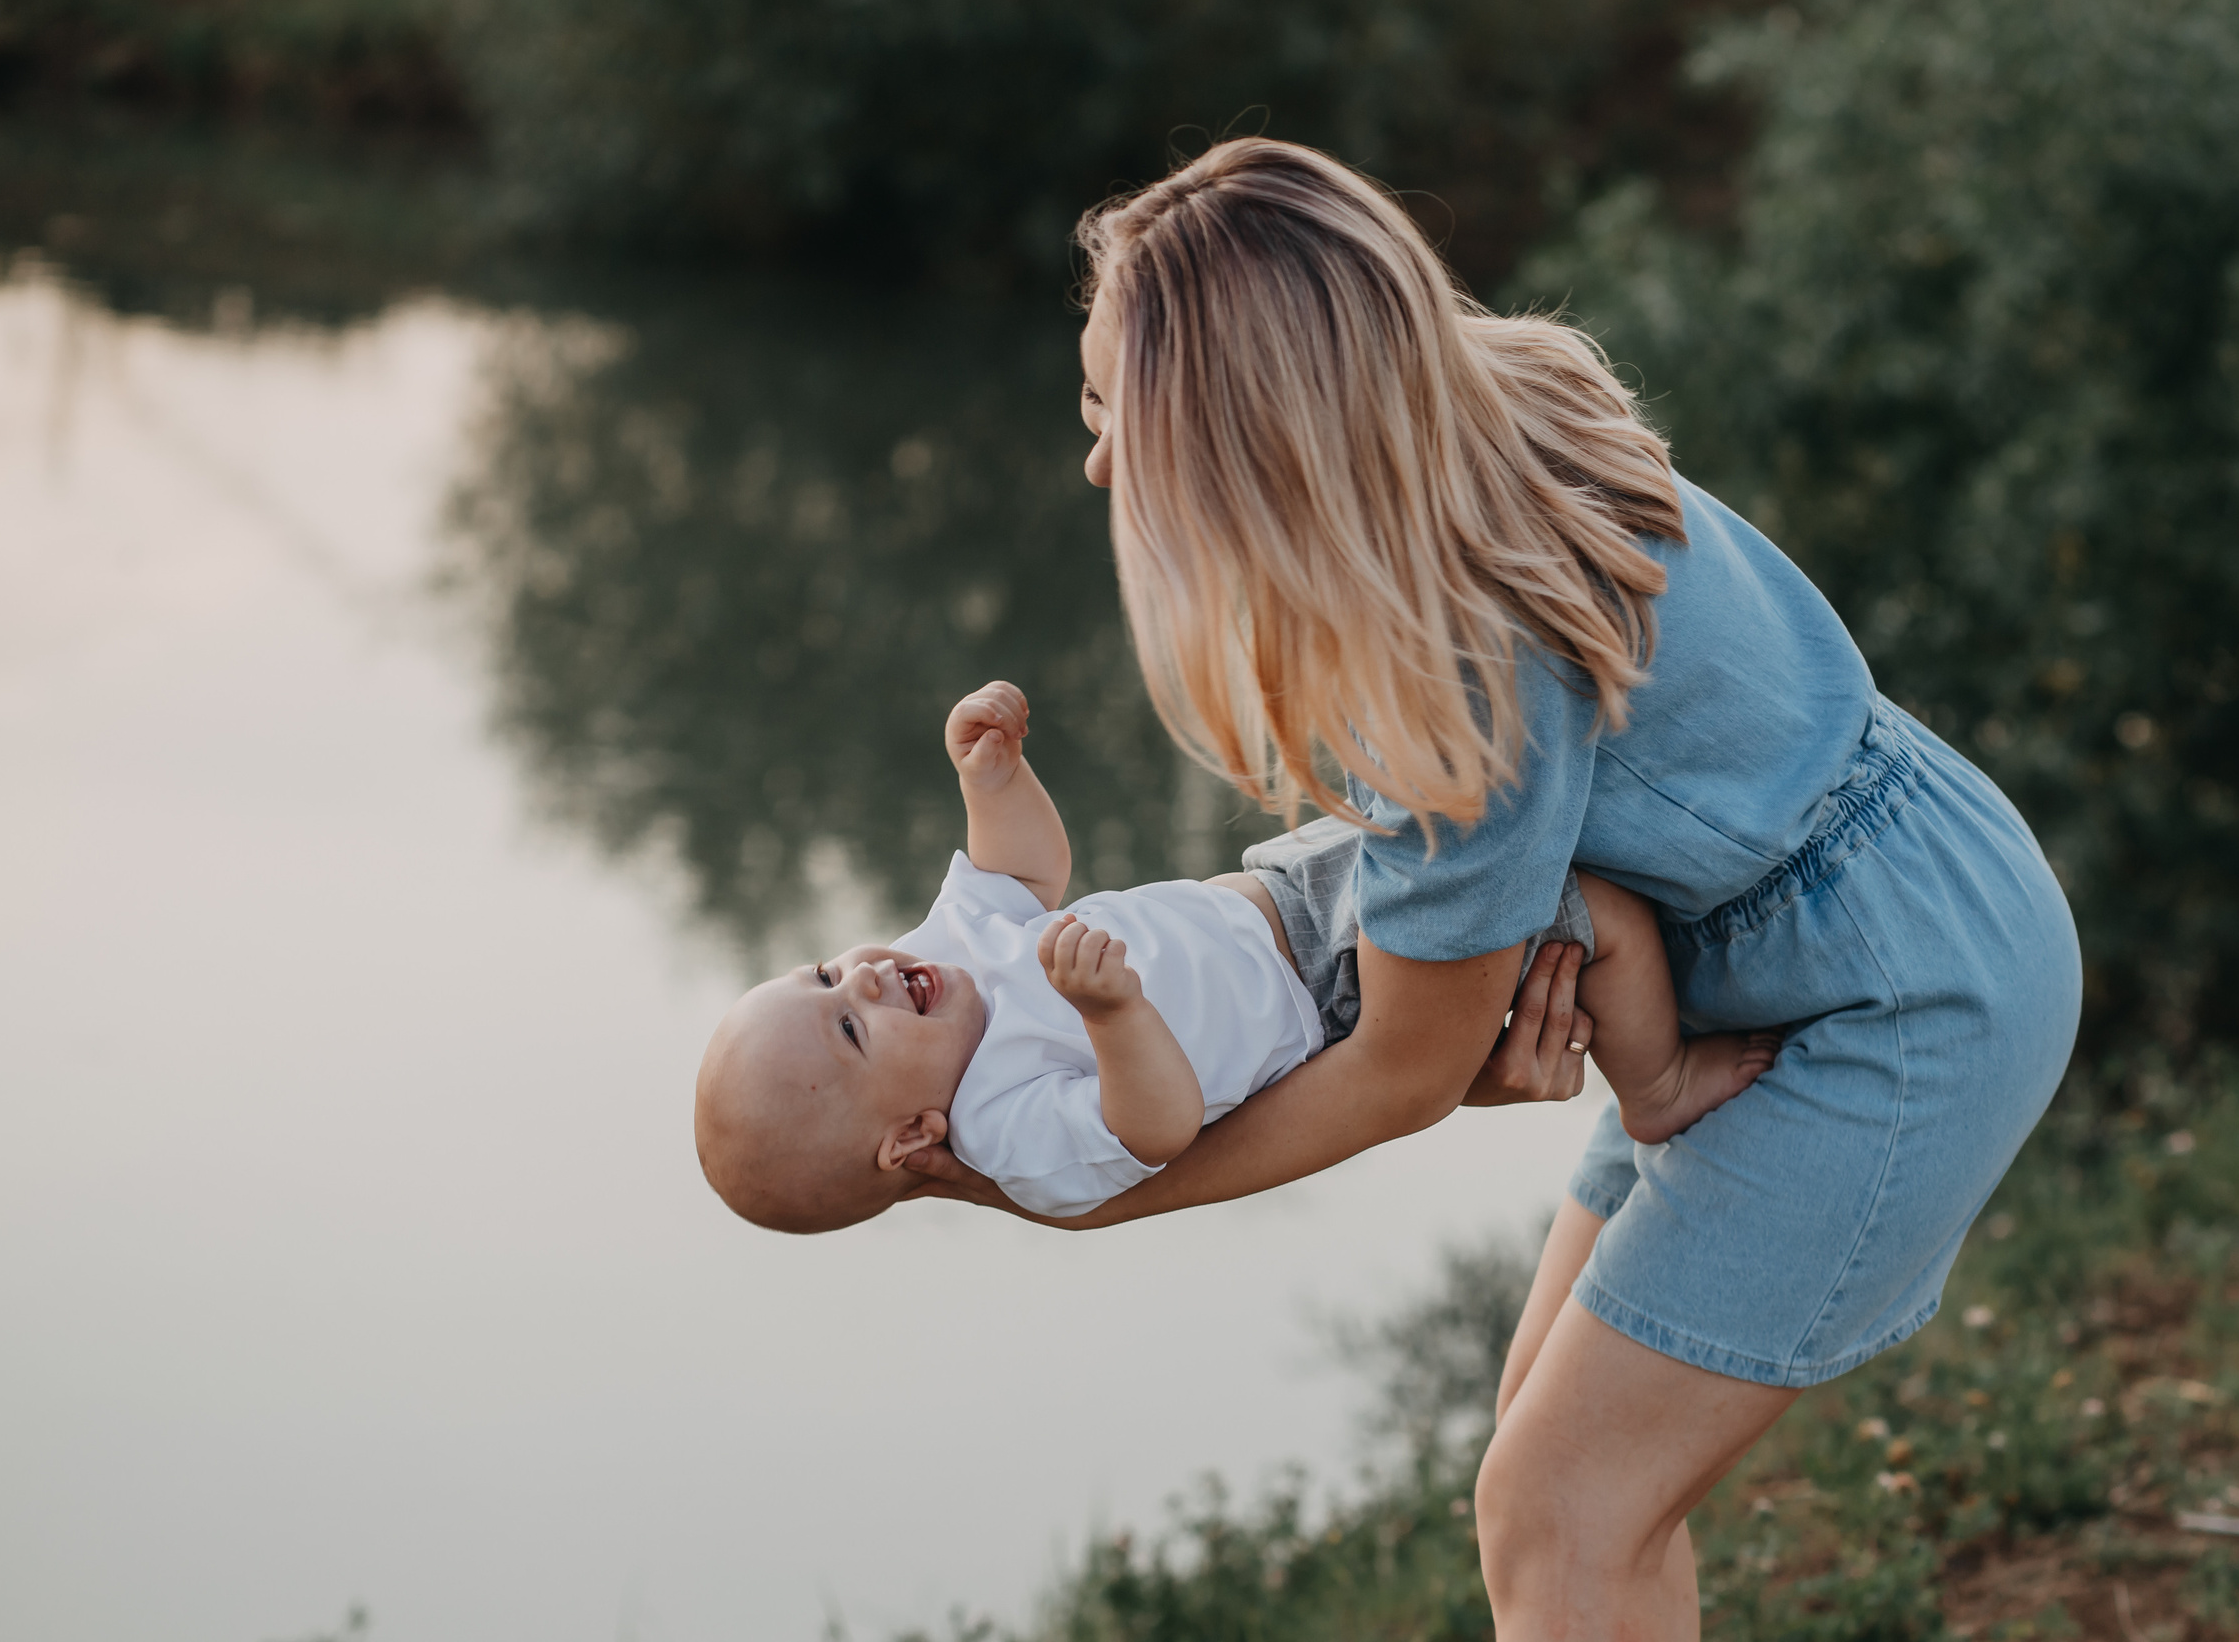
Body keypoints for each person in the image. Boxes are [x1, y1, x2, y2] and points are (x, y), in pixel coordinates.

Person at [898, 137, 2084, 1641]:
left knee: (1562, 1512)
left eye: (1108, 413)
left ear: (1239, 433)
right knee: (1551, 1483)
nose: (1096, 463)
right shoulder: (1467, 438)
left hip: (1897, 997)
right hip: (1846, 908)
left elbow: (1402, 1068)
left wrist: (1082, 1199)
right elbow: (1433, 1023)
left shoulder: (1447, 670)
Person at [694, 679, 1775, 1231]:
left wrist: (992, 780)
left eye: (825, 970)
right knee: (1599, 918)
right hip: (1330, 997)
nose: (866, 977)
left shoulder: (946, 953)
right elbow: (1154, 1128)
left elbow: (1022, 875)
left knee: (1475, 804)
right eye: (847, 1024)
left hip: (1281, 886)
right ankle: (1659, 1085)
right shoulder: (1007, 1129)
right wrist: (1115, 1017)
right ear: (914, 1136)